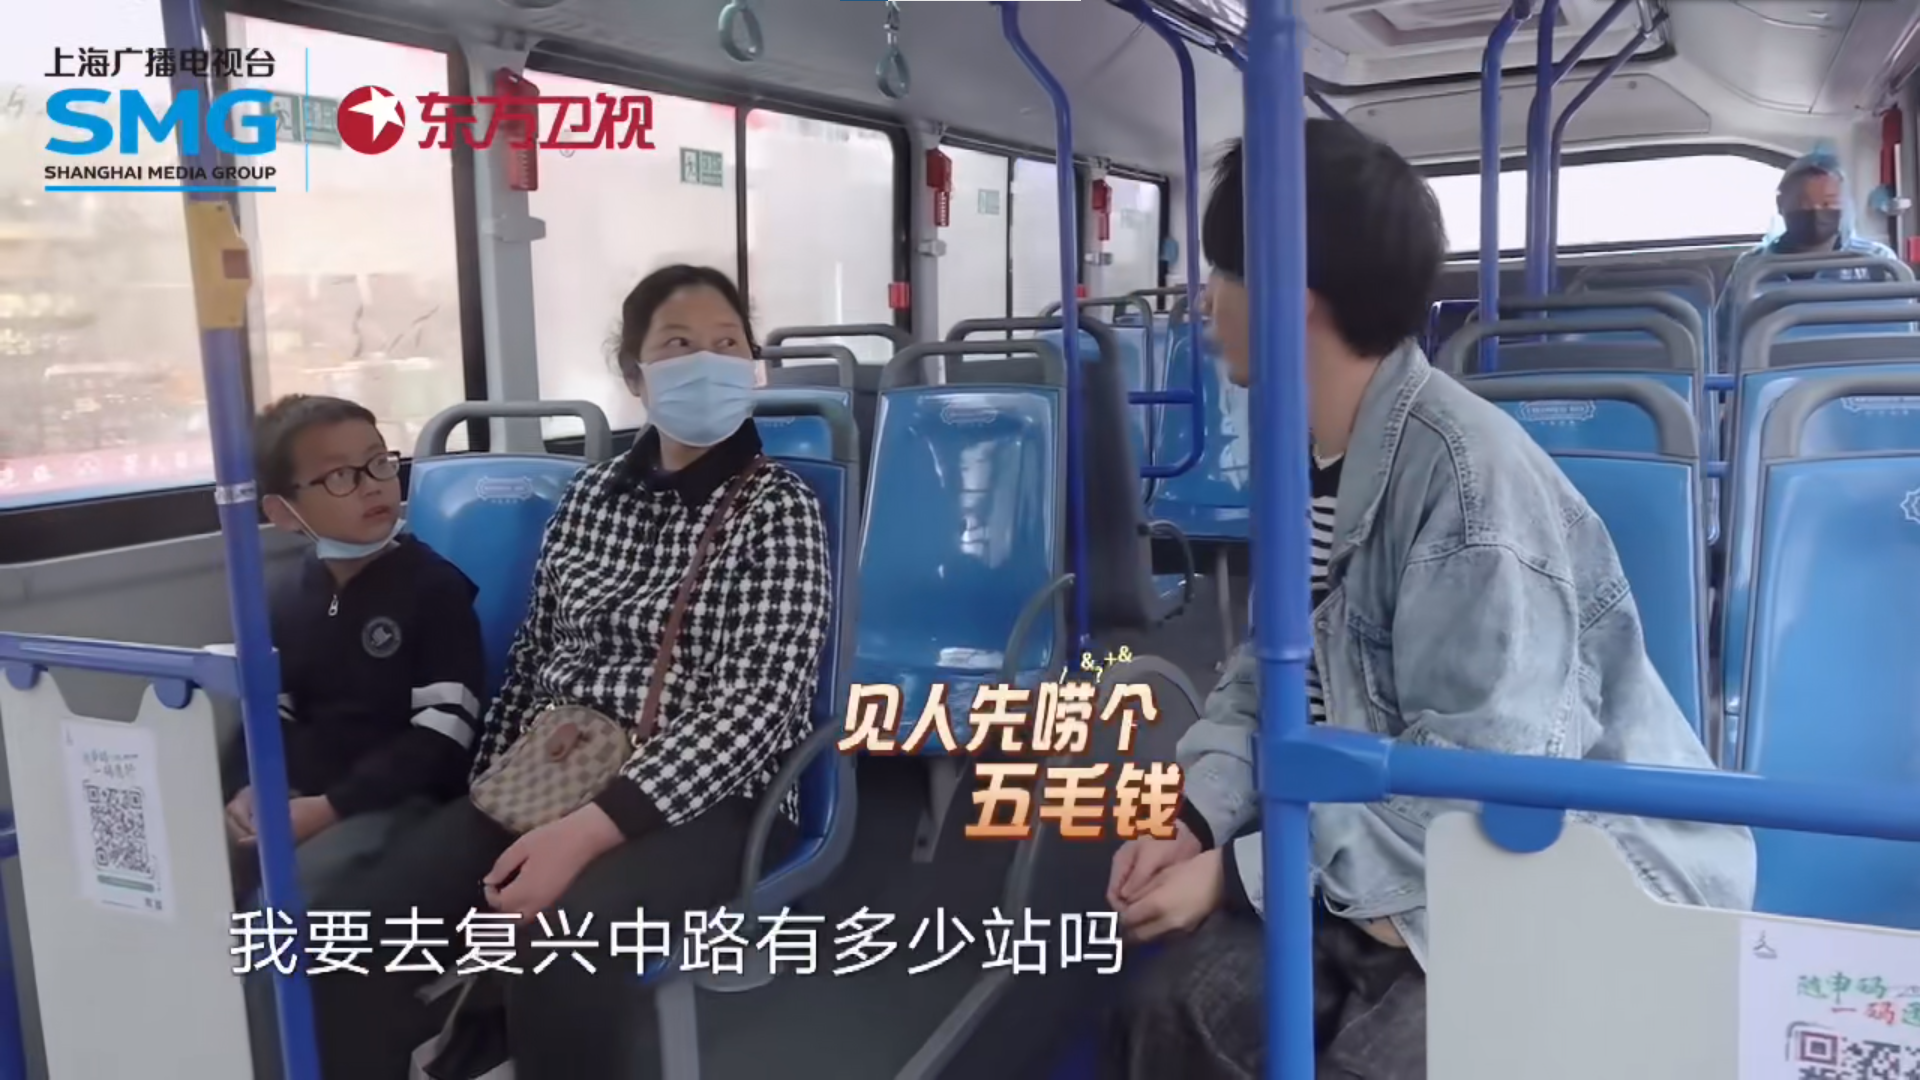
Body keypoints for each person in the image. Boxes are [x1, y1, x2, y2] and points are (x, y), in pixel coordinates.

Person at [1101, 121, 1758, 1080]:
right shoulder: (1307, 455)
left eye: (1224, 271)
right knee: (1174, 1012)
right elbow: (1270, 678)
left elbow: (1480, 789)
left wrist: (1242, 879)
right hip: (1389, 859)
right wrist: (1196, 818)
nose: (1205, 297)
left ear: (1290, 301)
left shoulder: (1470, 489)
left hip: (1556, 871)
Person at [295, 265, 834, 1080]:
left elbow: (757, 704)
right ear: (634, 375)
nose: (707, 363)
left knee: (563, 937)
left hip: (715, 795)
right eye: (678, 345)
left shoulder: (778, 509)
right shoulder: (589, 497)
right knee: (355, 923)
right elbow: (535, 663)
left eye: (728, 344)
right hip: (555, 766)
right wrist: (484, 803)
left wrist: (584, 832)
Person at [224, 394, 485, 906]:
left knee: (294, 898)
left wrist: (332, 807)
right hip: (304, 795)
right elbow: (268, 712)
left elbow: (443, 736)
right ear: (284, 511)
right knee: (195, 861)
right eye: (340, 476)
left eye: (379, 462)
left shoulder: (434, 590)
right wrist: (249, 787)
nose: (371, 485)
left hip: (399, 802)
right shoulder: (289, 595)